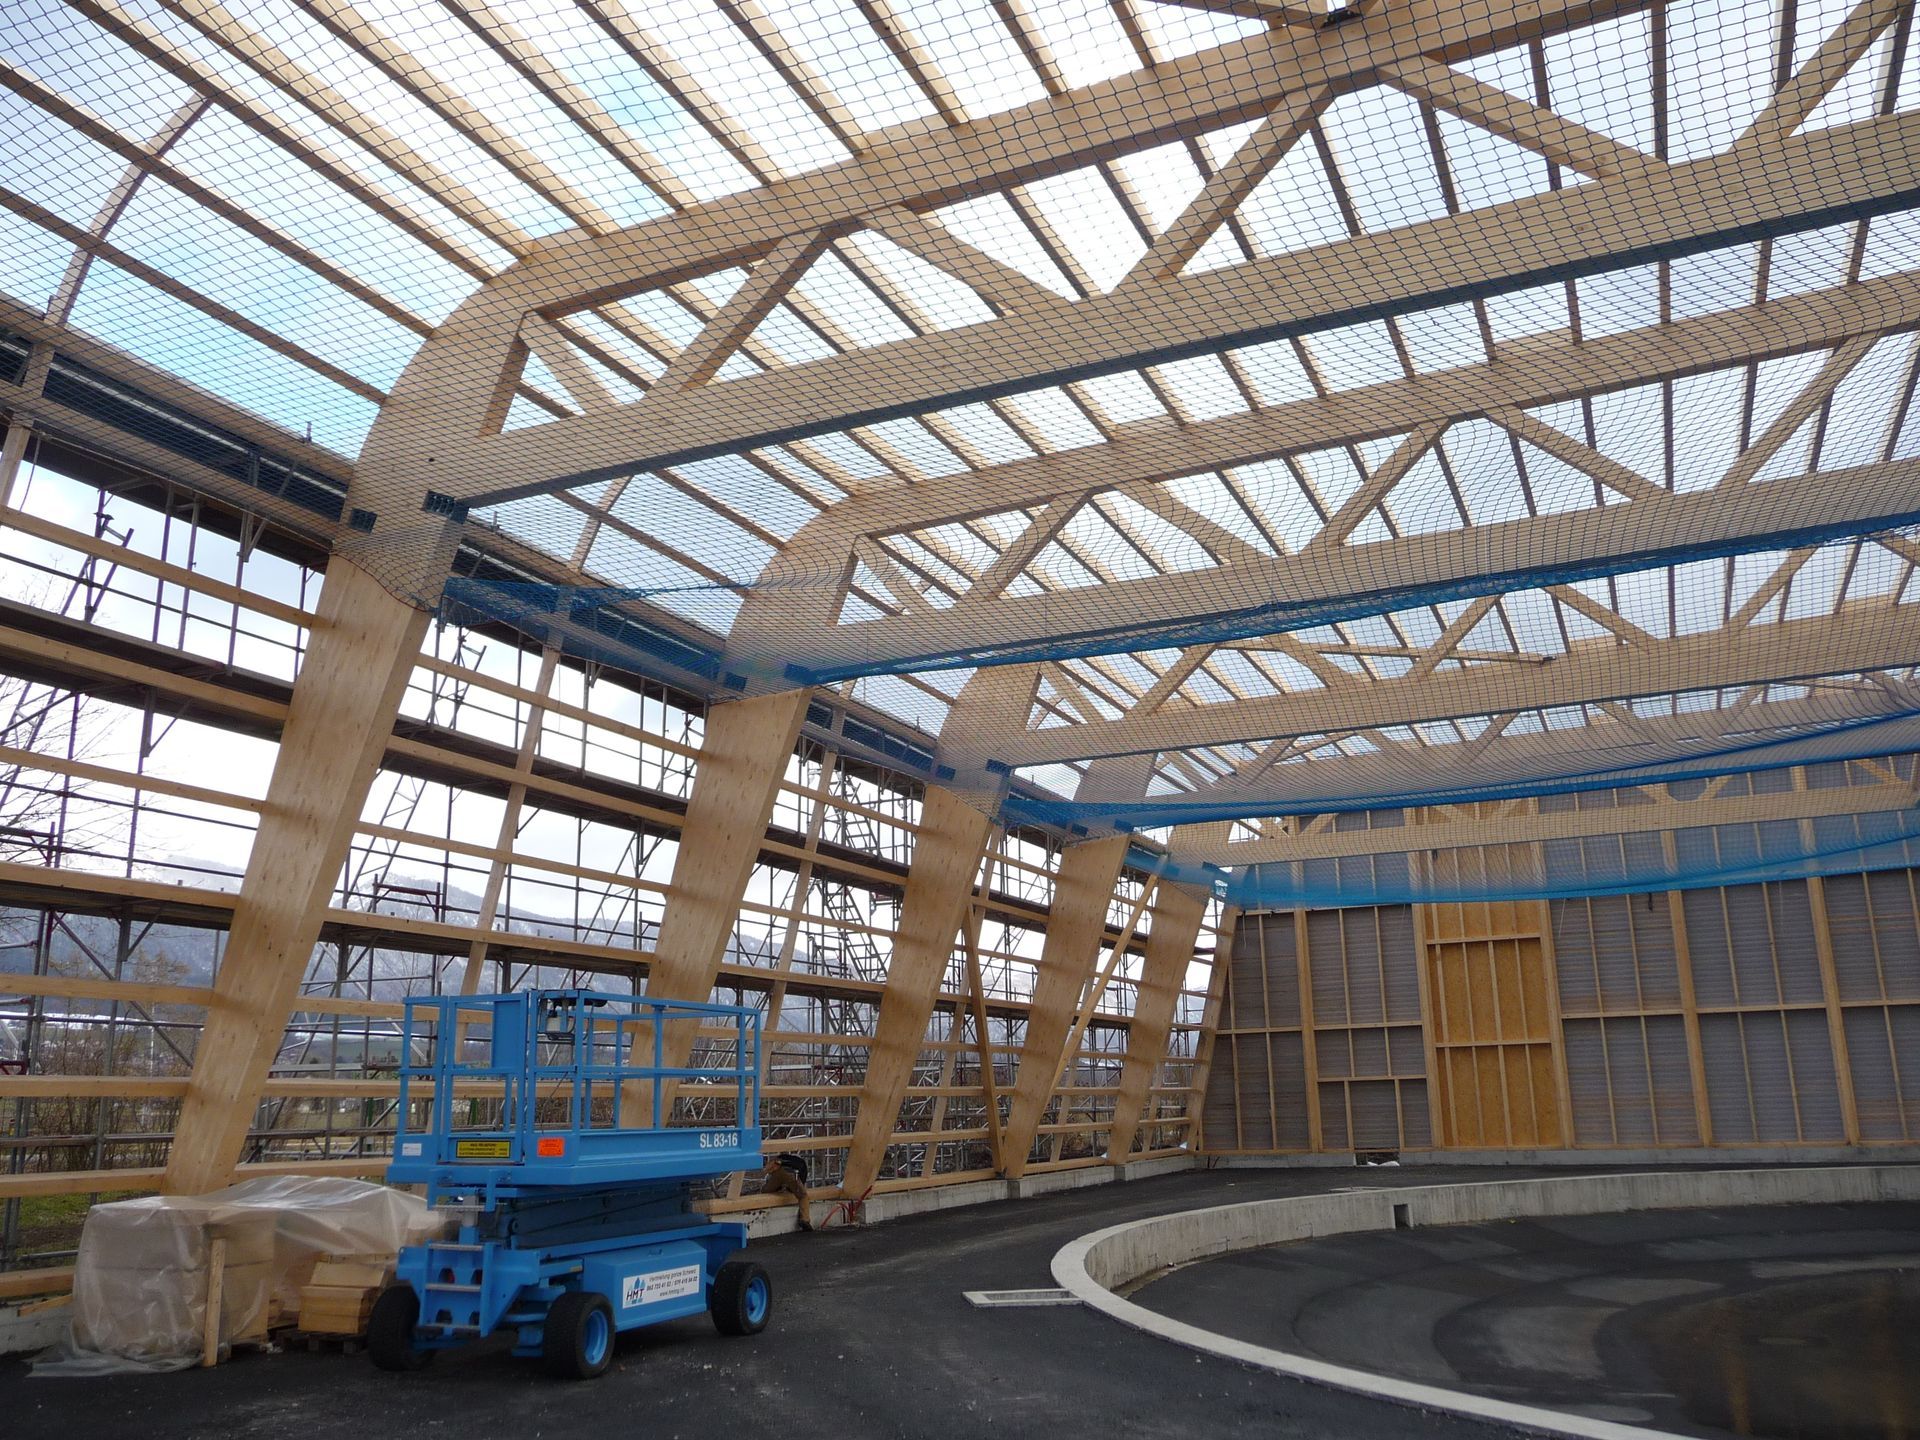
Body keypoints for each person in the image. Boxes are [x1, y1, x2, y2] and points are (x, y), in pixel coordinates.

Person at [761, 1151, 812, 1231]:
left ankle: (762, 1194)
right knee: (803, 1196)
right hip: (792, 1173)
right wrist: (792, 1189)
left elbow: (768, 1169)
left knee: (766, 1190)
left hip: (778, 1170)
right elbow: (799, 1183)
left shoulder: (781, 1158)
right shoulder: (801, 1165)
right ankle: (805, 1220)